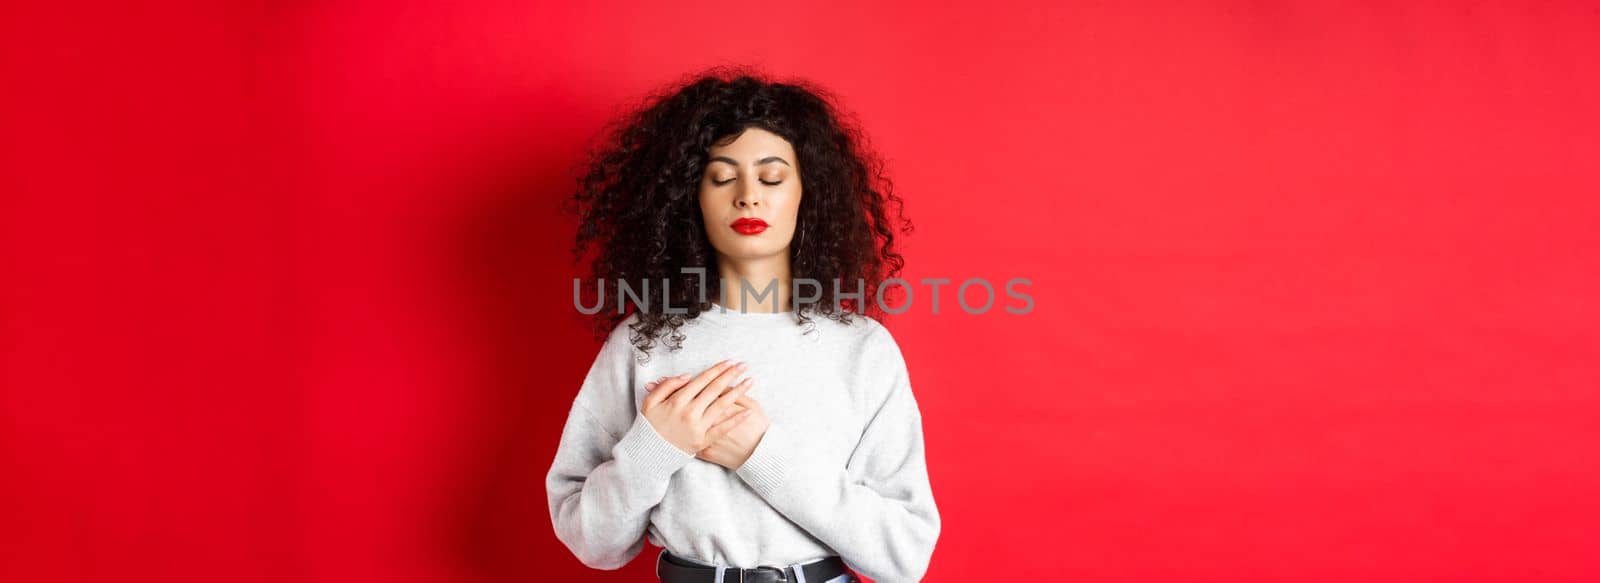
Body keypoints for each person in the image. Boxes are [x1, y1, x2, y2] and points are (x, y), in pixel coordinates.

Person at [546, 67, 940, 583]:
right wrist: (654, 447)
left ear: (807, 194)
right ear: (692, 197)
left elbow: (904, 556)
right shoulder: (644, 343)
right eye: (723, 177)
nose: (748, 196)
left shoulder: (862, 349)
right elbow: (593, 544)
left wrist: (760, 455)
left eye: (772, 177)